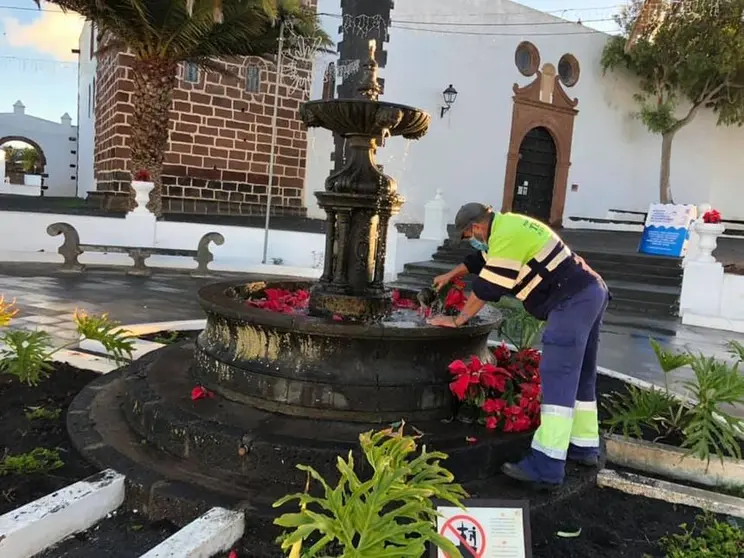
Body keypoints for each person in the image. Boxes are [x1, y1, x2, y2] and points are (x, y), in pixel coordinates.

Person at [427, 202, 610, 491]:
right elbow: (480, 260)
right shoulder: (508, 225)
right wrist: (451, 275)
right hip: (590, 291)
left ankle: (547, 464)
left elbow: (487, 287)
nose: (472, 240)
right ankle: (584, 446)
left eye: (468, 235)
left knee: (557, 374)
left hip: (572, 299)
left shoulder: (505, 236)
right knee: (582, 373)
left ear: (476, 226)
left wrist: (458, 319)